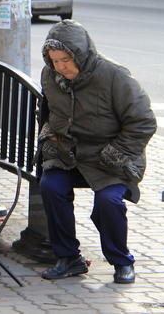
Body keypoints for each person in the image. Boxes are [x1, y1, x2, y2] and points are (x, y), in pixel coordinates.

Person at [37, 20, 156, 284]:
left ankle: (121, 260)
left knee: (108, 202)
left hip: (112, 158)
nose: (60, 67)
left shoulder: (114, 76)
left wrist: (114, 155)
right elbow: (47, 113)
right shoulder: (50, 75)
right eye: (54, 60)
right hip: (70, 155)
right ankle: (68, 258)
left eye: (66, 59)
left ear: (80, 54)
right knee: (51, 186)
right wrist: (48, 138)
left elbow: (143, 122)